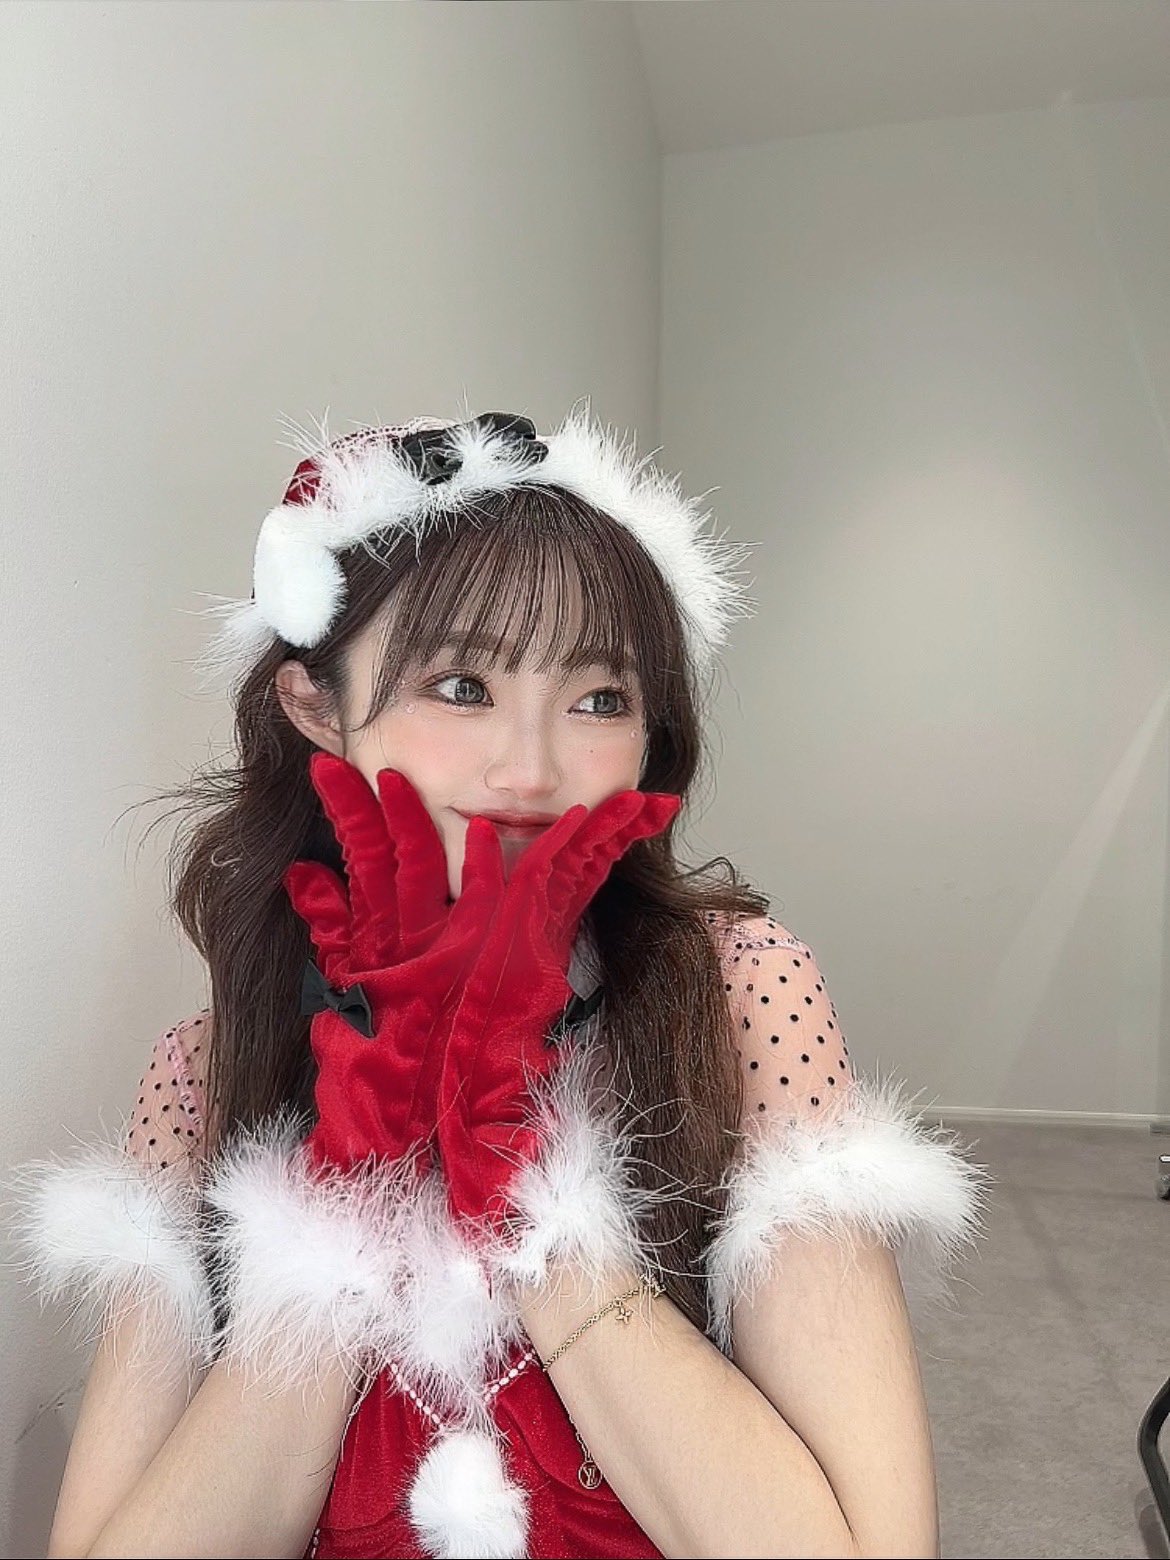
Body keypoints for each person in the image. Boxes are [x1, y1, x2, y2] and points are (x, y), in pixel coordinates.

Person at [6, 405, 990, 1559]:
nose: (531, 769)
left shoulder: (739, 1000)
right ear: (318, 706)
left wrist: (534, 1206)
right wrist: (340, 1217)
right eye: (461, 685)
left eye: (600, 698)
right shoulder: (211, 1071)